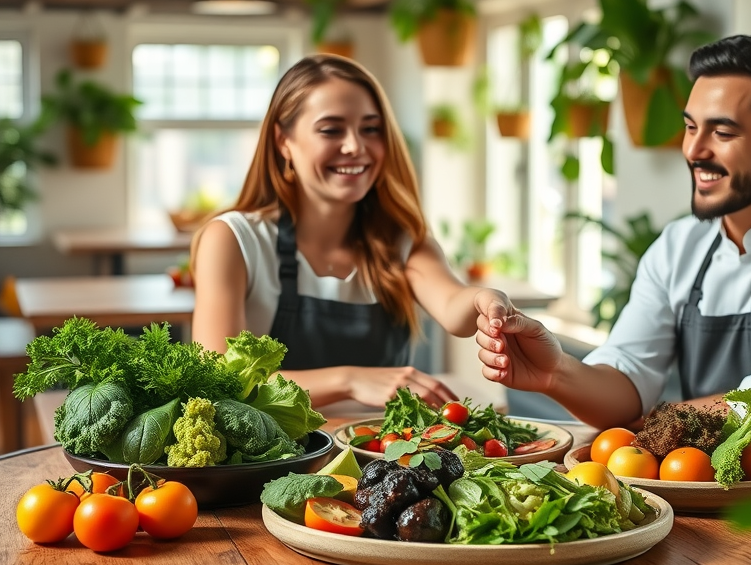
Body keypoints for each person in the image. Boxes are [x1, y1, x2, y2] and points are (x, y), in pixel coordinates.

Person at [475, 34, 751, 462]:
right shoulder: (680, 246)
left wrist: (642, 427)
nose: (694, 150)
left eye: (722, 131)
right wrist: (557, 372)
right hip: (704, 497)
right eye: (691, 126)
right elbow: (627, 382)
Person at [190, 54, 513, 410]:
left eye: (370, 129)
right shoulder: (233, 240)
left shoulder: (401, 238)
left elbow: (453, 305)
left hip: (386, 457)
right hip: (275, 460)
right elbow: (219, 381)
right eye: (331, 130)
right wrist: (350, 380)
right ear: (283, 141)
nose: (355, 146)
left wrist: (485, 301)